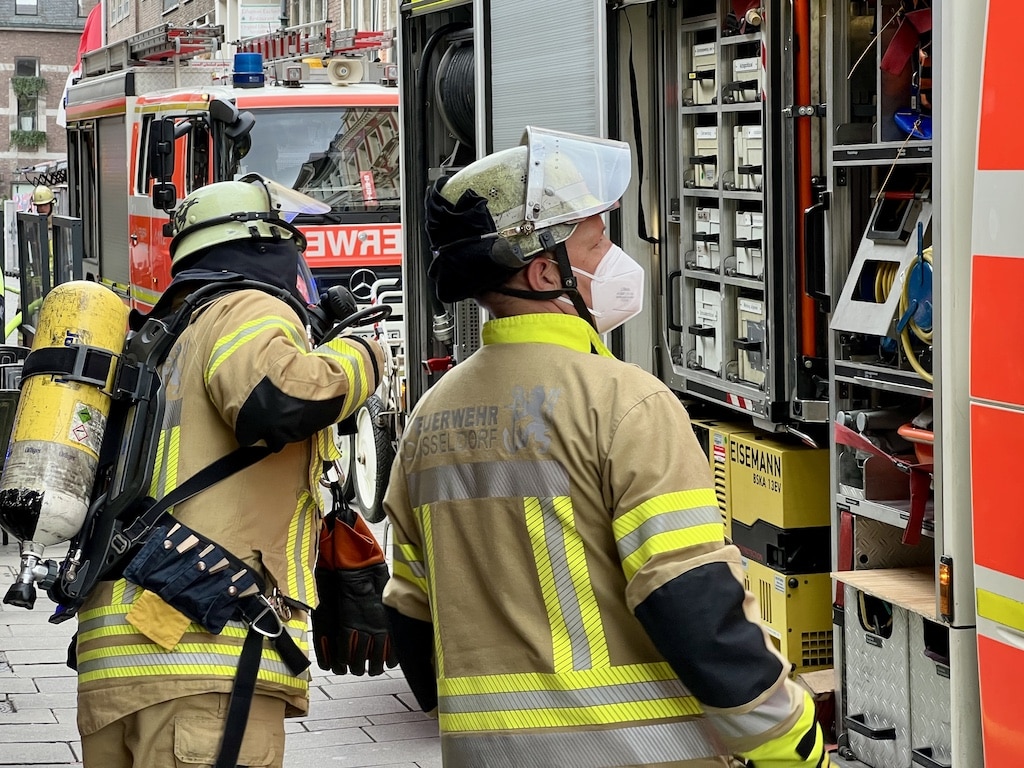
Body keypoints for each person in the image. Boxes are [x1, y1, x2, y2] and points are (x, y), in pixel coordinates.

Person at [382, 127, 828, 768]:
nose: (617, 256)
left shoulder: (430, 418)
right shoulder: (628, 404)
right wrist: (792, 741)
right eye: (598, 242)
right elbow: (691, 598)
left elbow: (411, 618)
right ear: (546, 271)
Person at [74, 175, 388, 767]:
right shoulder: (248, 305)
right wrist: (365, 355)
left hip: (123, 657)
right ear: (269, 245)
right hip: (201, 653)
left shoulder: (167, 340)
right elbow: (277, 401)